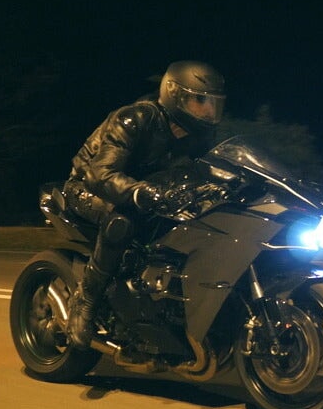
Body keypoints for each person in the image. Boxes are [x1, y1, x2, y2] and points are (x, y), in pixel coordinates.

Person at [60, 60, 226, 347]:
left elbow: (214, 168)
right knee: (121, 223)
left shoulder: (200, 136)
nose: (209, 110)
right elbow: (100, 174)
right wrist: (138, 191)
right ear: (175, 95)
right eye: (201, 101)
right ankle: (85, 301)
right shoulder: (135, 119)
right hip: (89, 189)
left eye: (213, 103)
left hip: (150, 193)